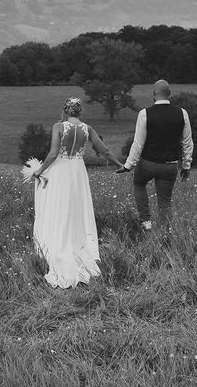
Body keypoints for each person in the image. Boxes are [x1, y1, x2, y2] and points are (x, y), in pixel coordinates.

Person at [31, 97, 123, 288]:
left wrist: (39, 170)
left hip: (61, 169)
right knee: (76, 206)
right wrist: (120, 165)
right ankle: (79, 243)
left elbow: (53, 154)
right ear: (80, 112)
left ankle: (57, 239)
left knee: (59, 204)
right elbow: (104, 150)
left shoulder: (58, 127)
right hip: (78, 170)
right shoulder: (87, 129)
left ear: (65, 111)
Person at [116, 80, 193, 231]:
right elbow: (187, 142)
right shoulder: (182, 113)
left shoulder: (145, 114)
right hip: (170, 165)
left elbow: (138, 143)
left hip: (147, 163)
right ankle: (166, 233)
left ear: (153, 94)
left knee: (139, 184)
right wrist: (186, 165)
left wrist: (128, 166)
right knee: (165, 203)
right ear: (169, 93)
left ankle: (146, 222)